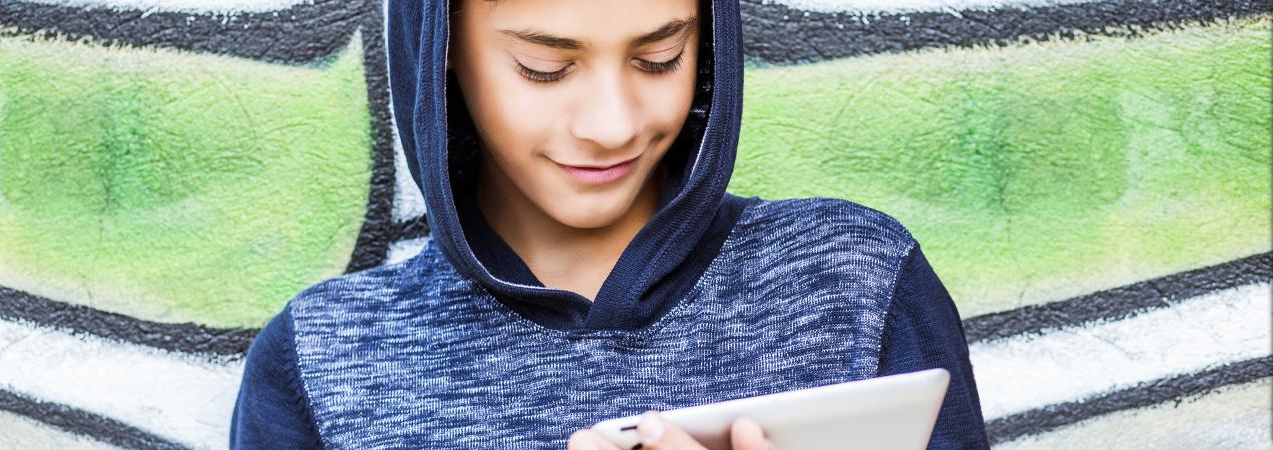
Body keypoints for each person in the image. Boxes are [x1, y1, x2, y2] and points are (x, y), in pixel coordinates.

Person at [229, 0, 989, 448]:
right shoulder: (322, 359)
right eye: (544, 67)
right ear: (443, 47)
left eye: (660, 57)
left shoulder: (854, 282)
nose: (611, 125)